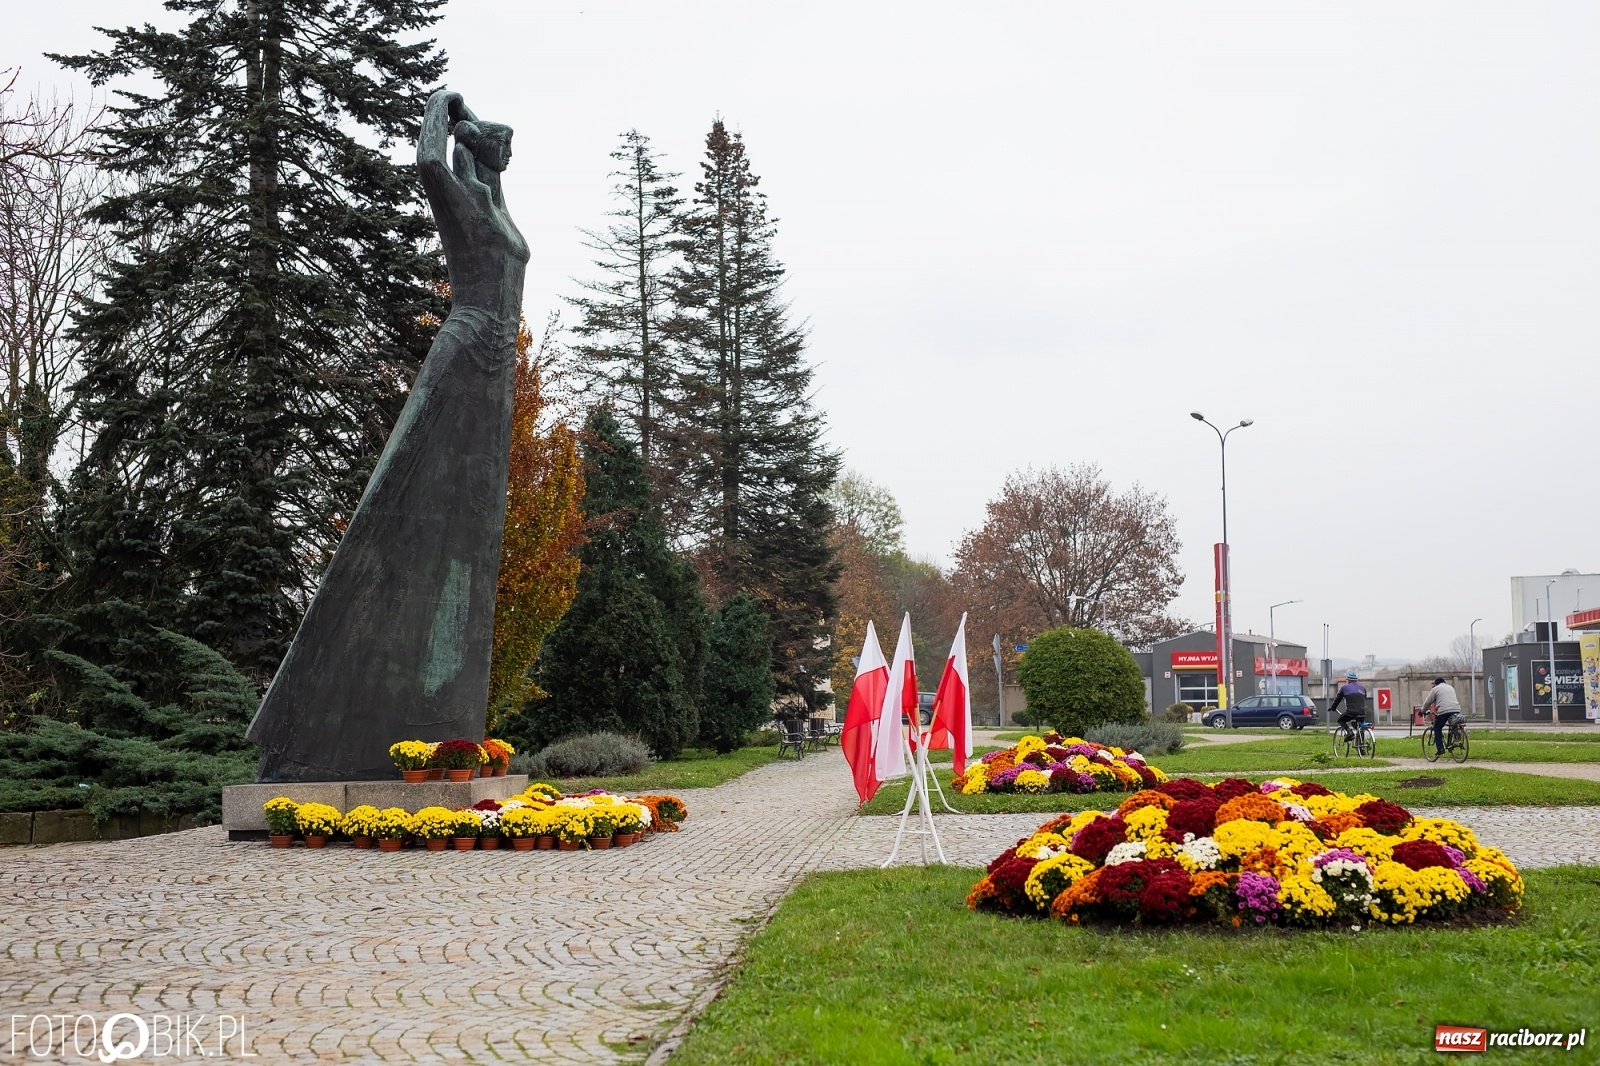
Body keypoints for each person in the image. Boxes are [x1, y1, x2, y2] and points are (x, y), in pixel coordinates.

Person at [1422, 676, 1463, 753]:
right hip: (1456, 709)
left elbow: (1428, 702)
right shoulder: (1451, 688)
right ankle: (1455, 738)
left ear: (1436, 684)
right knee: (1453, 724)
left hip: (1444, 711)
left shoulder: (1435, 689)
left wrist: (1422, 711)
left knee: (1437, 728)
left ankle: (1440, 749)